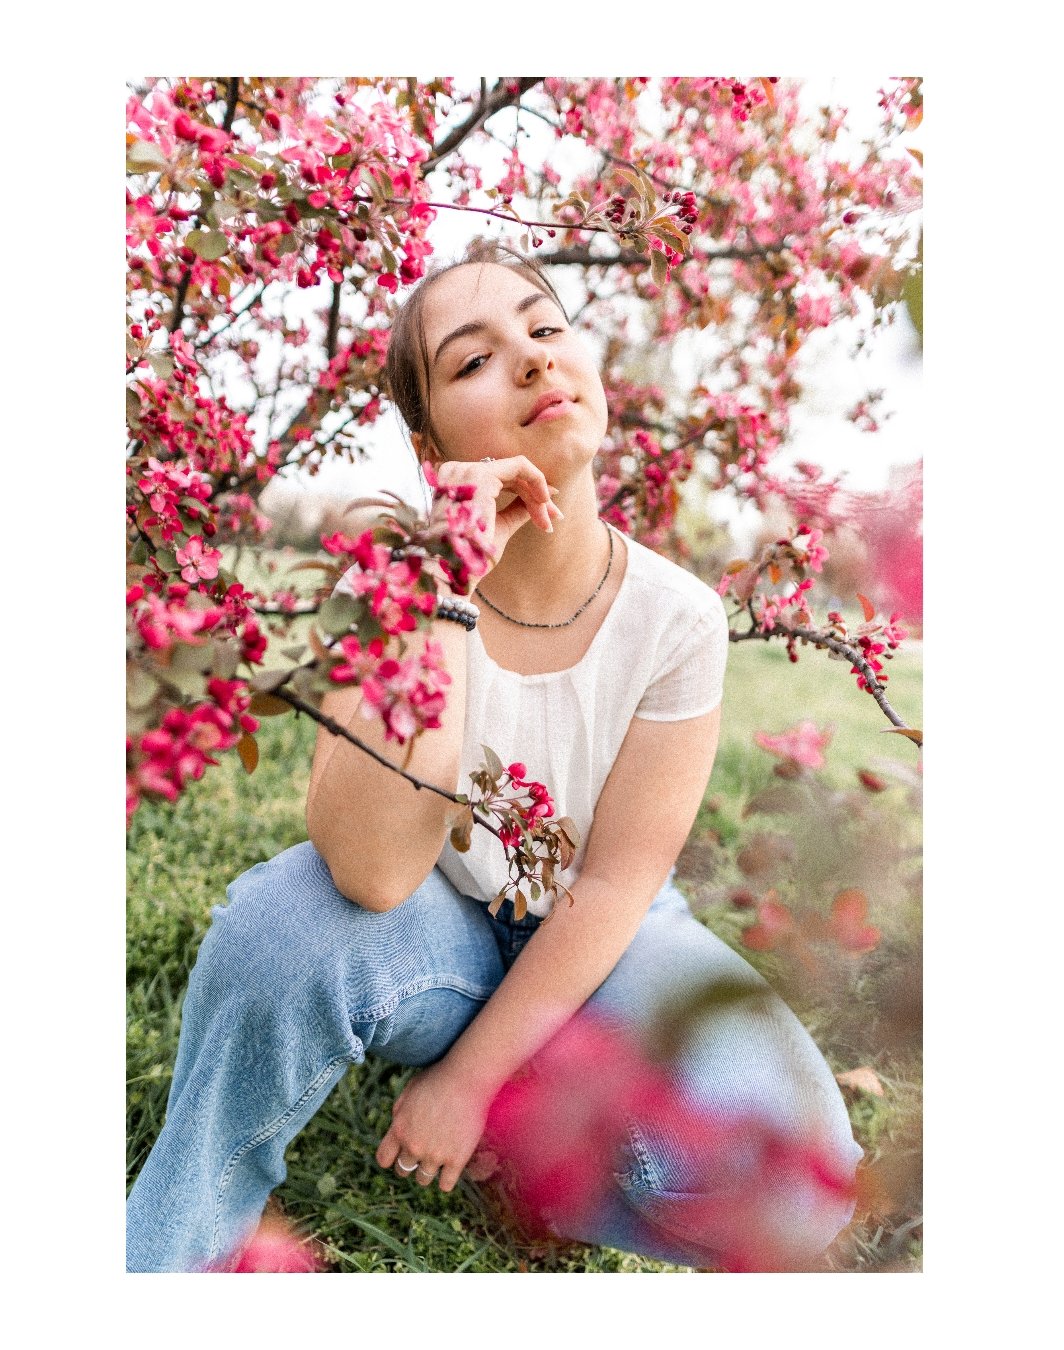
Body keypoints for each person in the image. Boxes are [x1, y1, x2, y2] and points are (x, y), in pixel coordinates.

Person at [126, 239, 863, 1274]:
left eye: (545, 328)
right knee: (276, 932)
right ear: (432, 449)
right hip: (433, 930)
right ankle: (160, 1263)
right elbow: (370, 872)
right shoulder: (403, 580)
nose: (528, 359)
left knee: (797, 1177)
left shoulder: (678, 618)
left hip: (605, 939)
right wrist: (445, 576)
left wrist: (469, 1083)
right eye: (472, 360)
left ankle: (538, 1152)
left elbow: (610, 885)